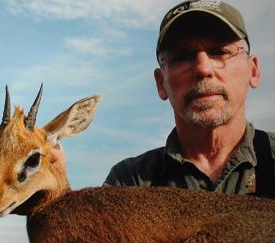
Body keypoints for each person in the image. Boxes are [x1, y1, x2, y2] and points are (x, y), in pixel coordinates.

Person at [101, 0, 275, 199]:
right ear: (161, 83)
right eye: (182, 57)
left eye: (219, 52)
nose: (203, 69)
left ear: (253, 71)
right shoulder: (128, 183)